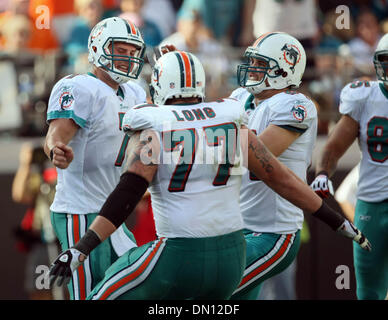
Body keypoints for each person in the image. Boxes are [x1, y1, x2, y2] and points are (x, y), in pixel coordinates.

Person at [49, 51, 370, 300]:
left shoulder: (153, 126)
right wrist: (337, 221)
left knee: (101, 294)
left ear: (159, 85)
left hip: (179, 253)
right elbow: (281, 178)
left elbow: (128, 192)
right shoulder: (230, 121)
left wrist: (82, 248)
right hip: (231, 256)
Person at [43, 17, 147, 300]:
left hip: (114, 212)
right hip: (81, 210)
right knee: (89, 295)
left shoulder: (137, 91)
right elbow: (56, 134)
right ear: (98, 47)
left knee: (126, 291)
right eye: (120, 49)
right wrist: (56, 149)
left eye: (131, 52)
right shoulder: (80, 87)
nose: (127, 58)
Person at [227, 32, 317, 299]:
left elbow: (254, 158)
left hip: (272, 230)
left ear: (283, 69)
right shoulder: (240, 96)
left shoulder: (294, 105)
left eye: (260, 64)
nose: (252, 69)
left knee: (219, 287)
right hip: (236, 224)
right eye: (252, 62)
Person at [310, 34, 388, 300]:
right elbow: (332, 148)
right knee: (369, 291)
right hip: (372, 204)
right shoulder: (365, 96)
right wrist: (322, 172)